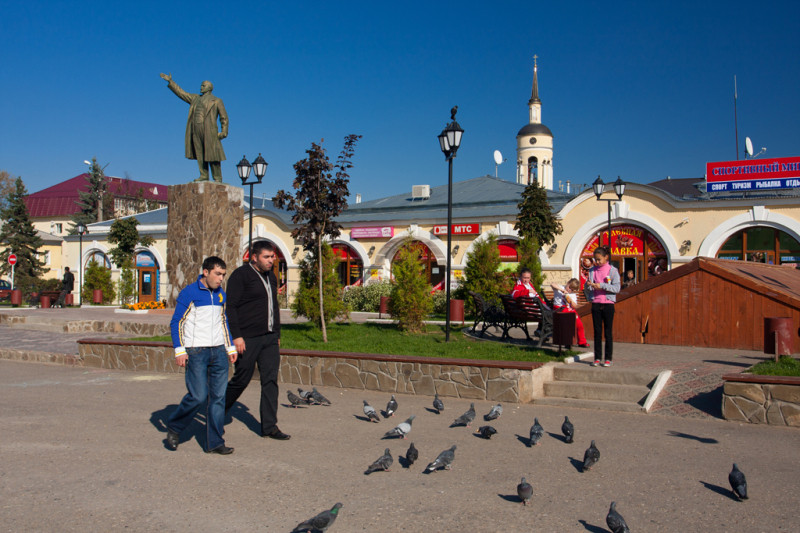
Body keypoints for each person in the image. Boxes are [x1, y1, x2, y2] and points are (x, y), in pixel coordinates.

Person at [164, 256, 237, 454]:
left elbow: (223, 321)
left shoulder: (221, 294)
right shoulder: (190, 292)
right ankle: (175, 427)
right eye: (217, 274)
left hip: (219, 352)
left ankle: (215, 443)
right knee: (198, 396)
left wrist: (230, 347)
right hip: (196, 351)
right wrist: (180, 350)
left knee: (218, 398)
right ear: (205, 272)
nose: (221, 278)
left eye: (223, 274)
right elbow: (177, 322)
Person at [225, 241, 289, 441]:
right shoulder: (240, 275)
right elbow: (231, 307)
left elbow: (274, 307)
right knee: (241, 379)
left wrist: (276, 334)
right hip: (247, 338)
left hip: (269, 338)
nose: (271, 261)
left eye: (272, 257)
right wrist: (236, 336)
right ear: (254, 257)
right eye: (267, 257)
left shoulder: (271, 276)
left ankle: (269, 426)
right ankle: (217, 410)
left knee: (270, 381)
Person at [160, 73, 228, 183]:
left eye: (203, 86)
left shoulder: (217, 100)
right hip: (196, 129)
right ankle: (203, 175)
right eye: (201, 85)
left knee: (213, 155)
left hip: (210, 131)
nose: (201, 87)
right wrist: (171, 82)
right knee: (200, 153)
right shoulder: (195, 98)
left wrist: (224, 131)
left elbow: (224, 117)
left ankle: (218, 178)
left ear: (209, 88)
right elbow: (182, 93)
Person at [584, 246, 621, 367]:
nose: (597, 262)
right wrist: (589, 286)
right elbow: (587, 288)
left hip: (608, 304)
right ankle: (597, 357)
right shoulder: (592, 271)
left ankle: (608, 358)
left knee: (608, 332)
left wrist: (602, 286)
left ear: (606, 257)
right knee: (597, 332)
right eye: (596, 259)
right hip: (596, 303)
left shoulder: (613, 271)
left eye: (599, 259)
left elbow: (617, 288)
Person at [550, 278, 589, 348]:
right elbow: (552, 284)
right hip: (559, 308)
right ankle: (567, 341)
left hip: (569, 310)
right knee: (569, 319)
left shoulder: (572, 295)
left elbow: (575, 306)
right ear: (567, 283)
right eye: (569, 287)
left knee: (579, 324)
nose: (569, 290)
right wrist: (563, 290)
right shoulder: (560, 288)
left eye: (572, 289)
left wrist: (570, 300)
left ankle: (582, 341)